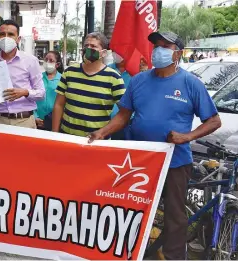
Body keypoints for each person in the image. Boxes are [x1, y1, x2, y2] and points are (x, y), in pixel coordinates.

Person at [88, 31, 221, 260]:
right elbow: (123, 116)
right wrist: (103, 132)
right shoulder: (139, 80)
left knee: (174, 214)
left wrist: (186, 136)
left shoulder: (190, 84)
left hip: (175, 161)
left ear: (177, 53)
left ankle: (173, 256)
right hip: (139, 160)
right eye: (156, 46)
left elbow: (214, 120)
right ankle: (127, 252)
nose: (158, 51)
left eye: (165, 47)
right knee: (132, 207)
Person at [51, 32, 125, 137]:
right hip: (67, 138)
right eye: (86, 46)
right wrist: (55, 134)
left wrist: (103, 133)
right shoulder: (69, 72)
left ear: (103, 53)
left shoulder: (114, 78)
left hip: (96, 144)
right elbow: (59, 104)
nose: (88, 49)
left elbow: (124, 113)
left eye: (93, 46)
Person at [0, 20, 45, 128]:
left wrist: (25, 92)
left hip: (24, 121)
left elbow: (41, 93)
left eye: (11, 34)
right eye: (2, 34)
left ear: (18, 39)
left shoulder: (30, 61)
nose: (6, 38)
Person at [35, 51, 63, 130]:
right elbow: (31, 98)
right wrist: (35, 116)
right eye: (46, 60)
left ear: (57, 64)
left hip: (54, 121)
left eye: (51, 60)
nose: (47, 62)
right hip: (37, 120)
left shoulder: (62, 79)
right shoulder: (38, 77)